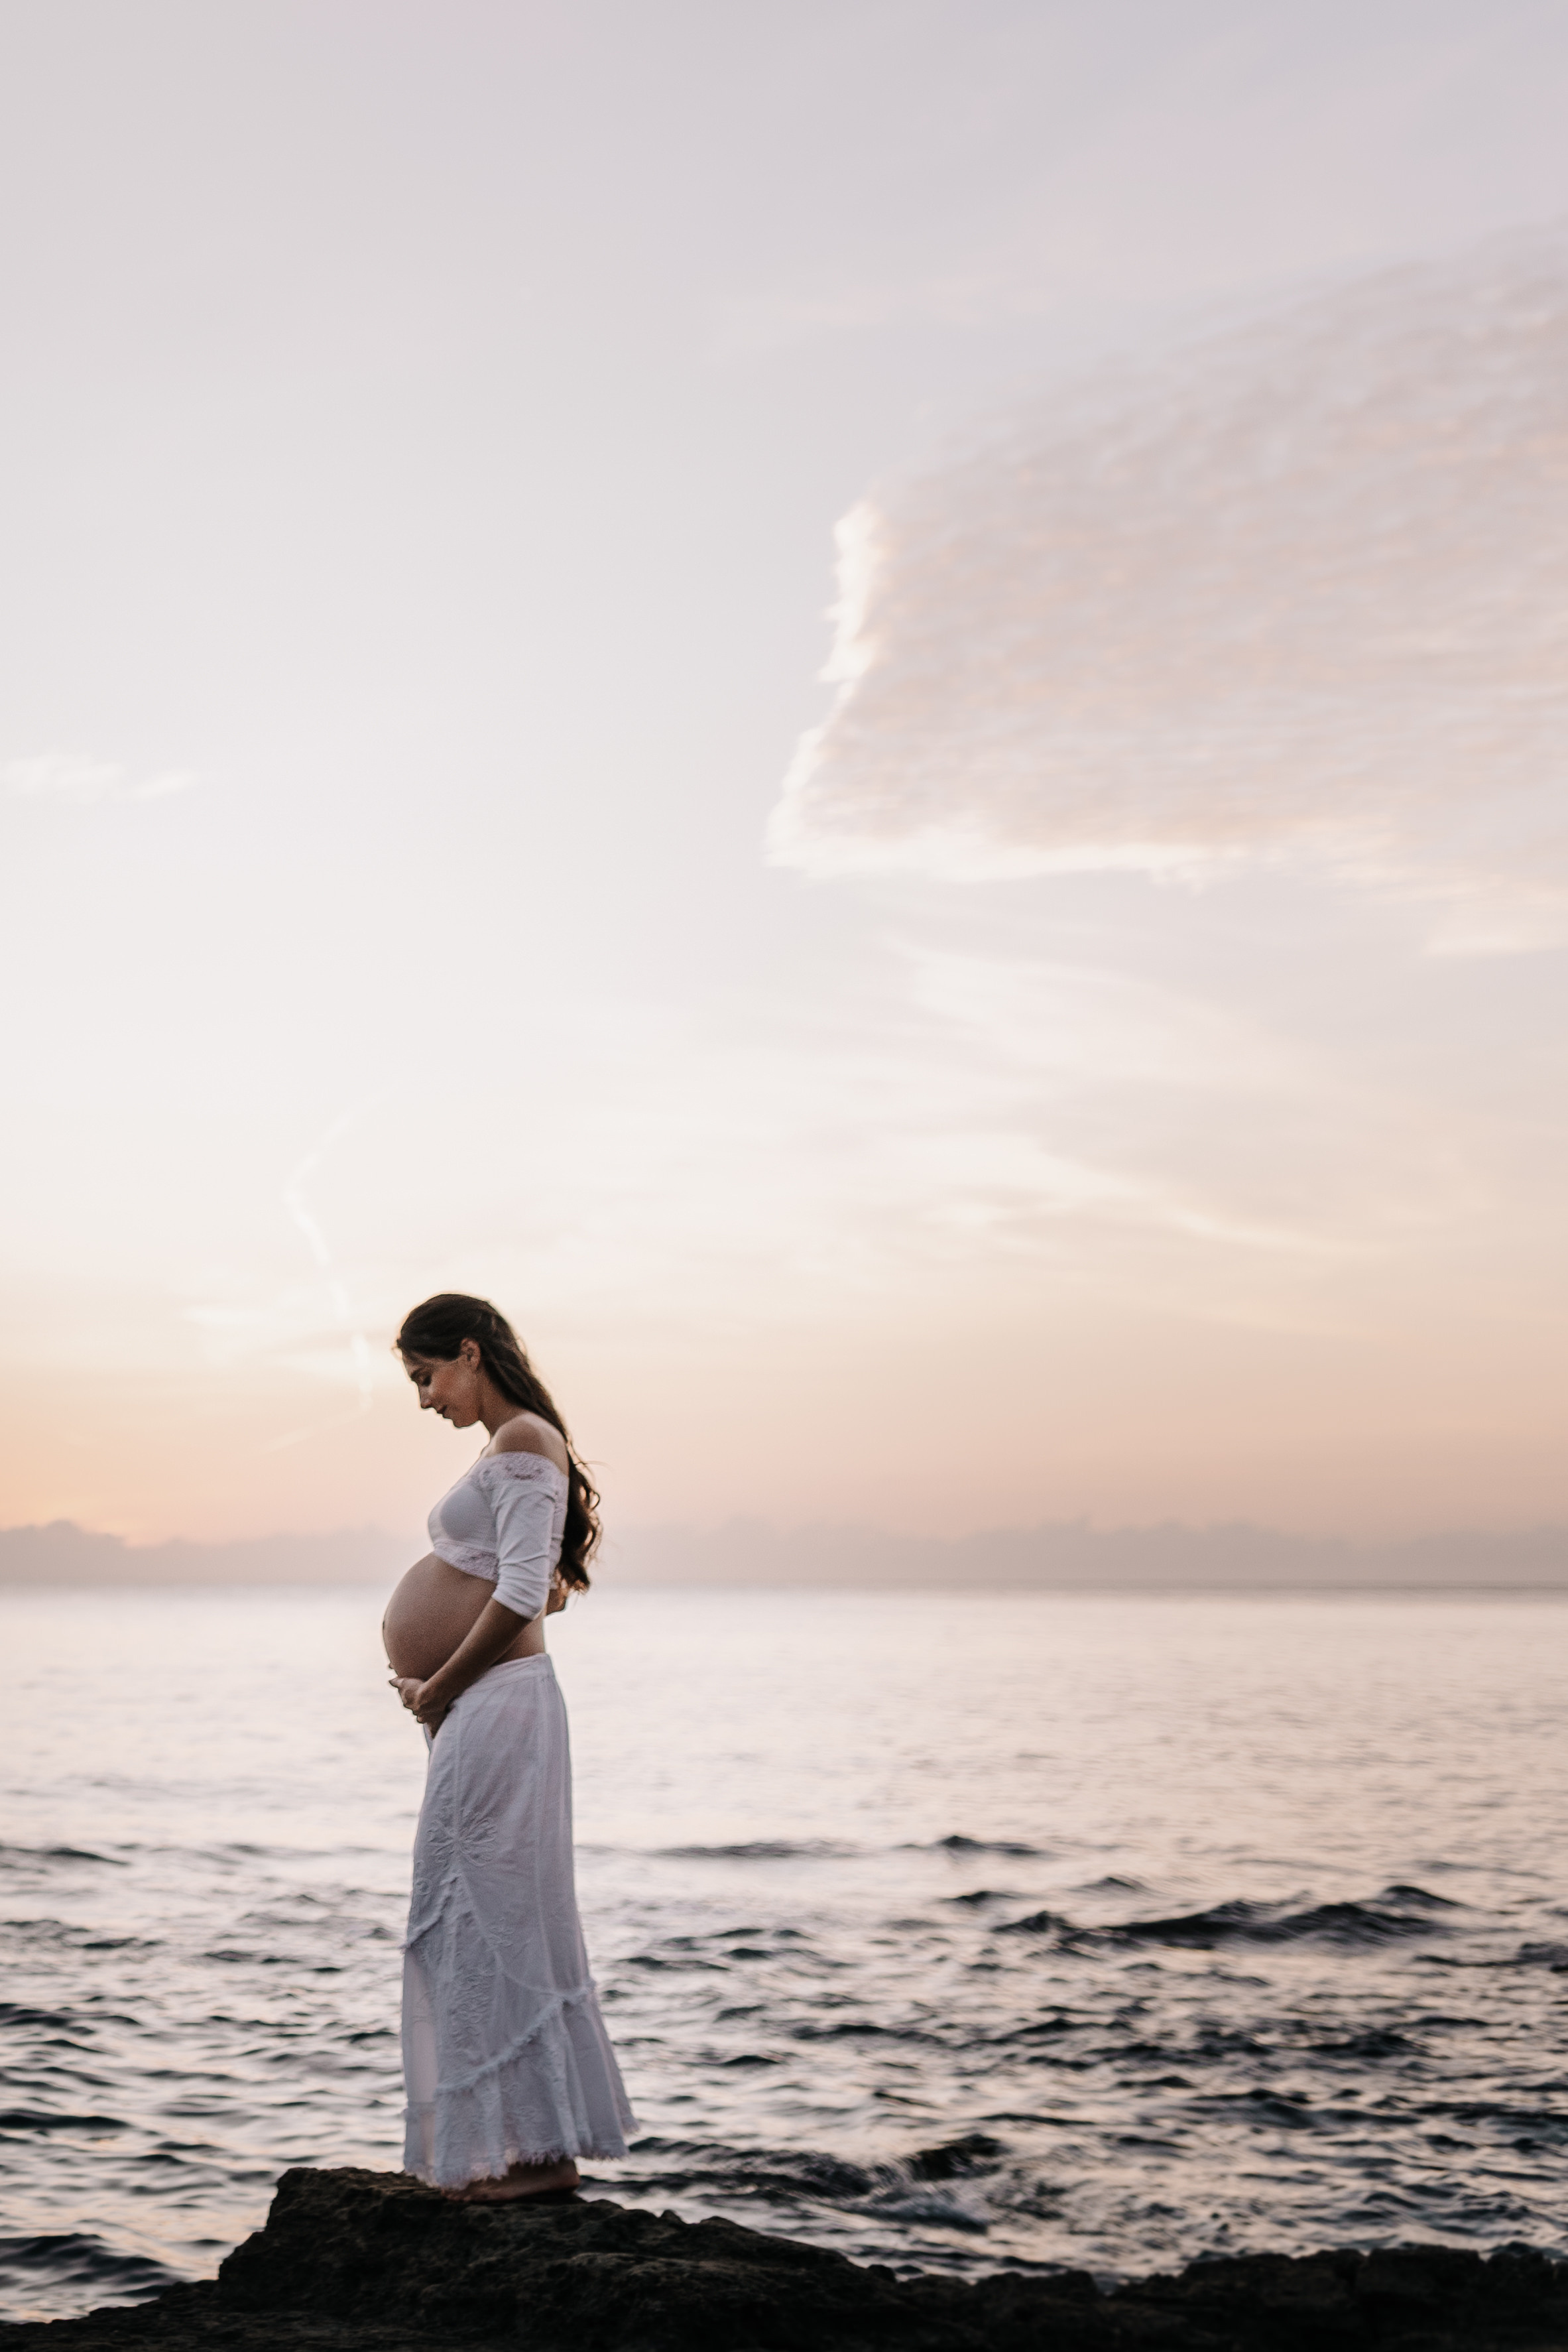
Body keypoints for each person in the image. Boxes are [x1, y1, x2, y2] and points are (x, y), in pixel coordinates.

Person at [381, 1292, 634, 2201]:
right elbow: (535, 1581)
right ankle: (508, 2152)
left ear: (469, 1352)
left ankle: (536, 2162)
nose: (424, 1399)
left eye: (427, 1377)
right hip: (482, 1708)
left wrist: (438, 1687)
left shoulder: (525, 1440)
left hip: (492, 1703)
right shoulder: (511, 1448)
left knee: (493, 1918)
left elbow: (523, 1594)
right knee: (468, 1918)